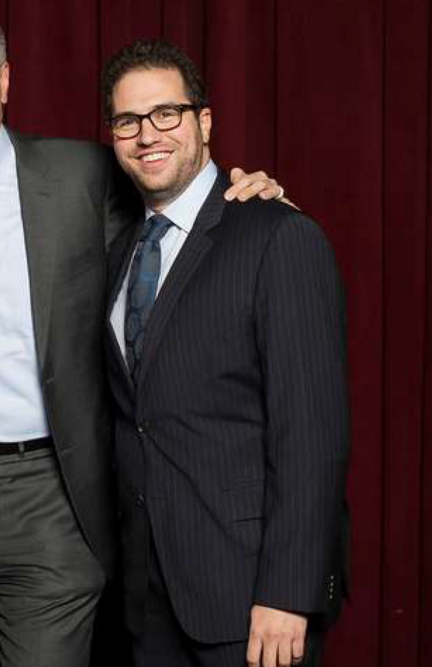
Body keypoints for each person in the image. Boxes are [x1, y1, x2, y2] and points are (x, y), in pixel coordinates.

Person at [0, 1, 285, 667]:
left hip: (48, 491)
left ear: (5, 79)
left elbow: (180, 197)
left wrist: (252, 198)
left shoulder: (83, 175)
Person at [100, 39, 350, 667]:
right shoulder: (120, 248)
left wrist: (289, 593)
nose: (146, 134)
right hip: (146, 601)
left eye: (166, 113)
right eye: (127, 121)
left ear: (204, 122)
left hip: (250, 599)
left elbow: (312, 437)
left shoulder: (277, 236)